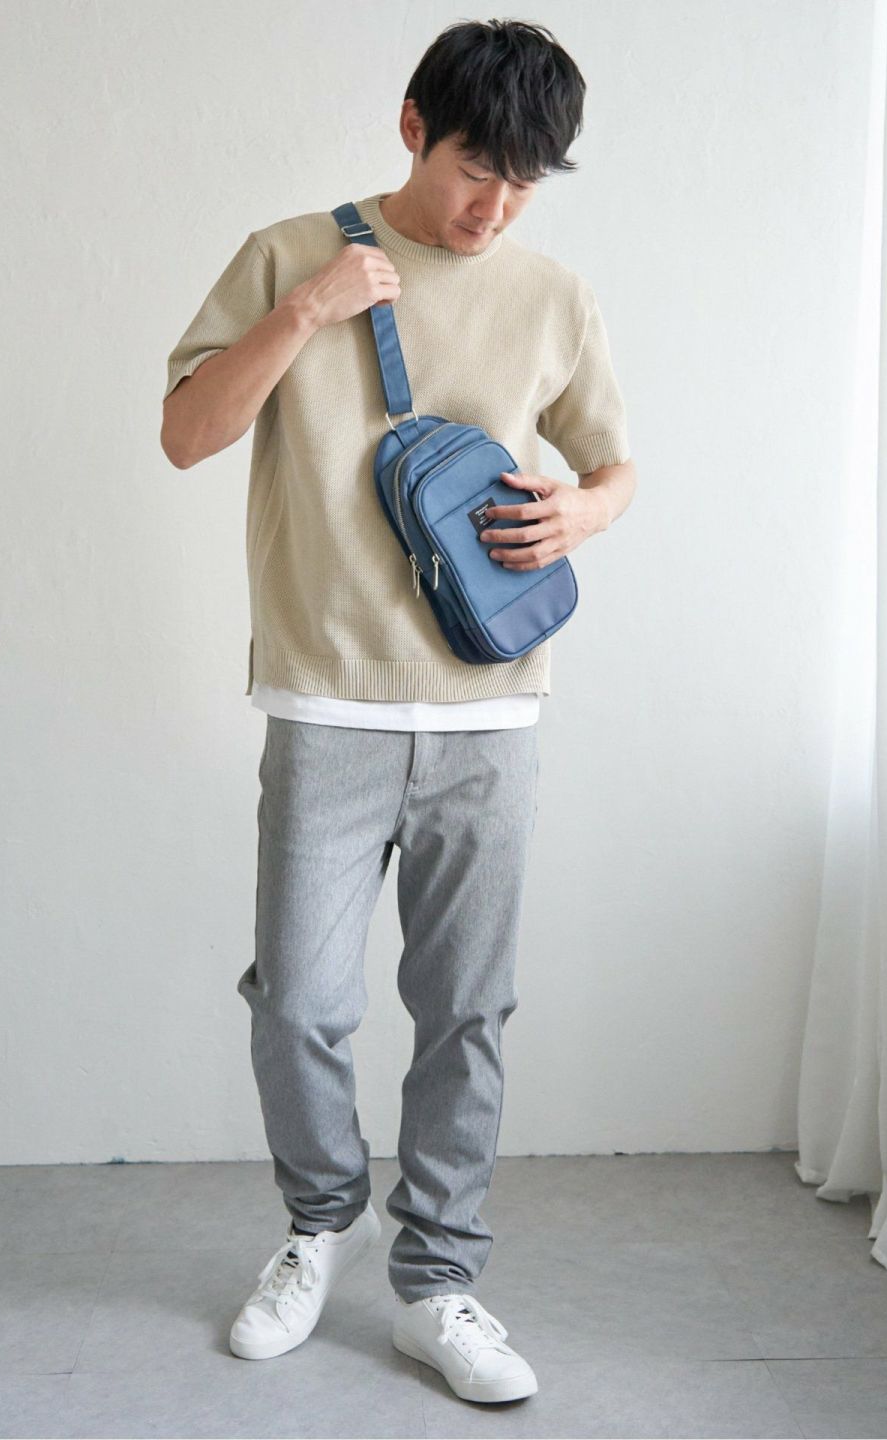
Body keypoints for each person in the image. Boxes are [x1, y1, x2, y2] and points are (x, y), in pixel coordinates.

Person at [160, 17, 635, 1406]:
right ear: (415, 128)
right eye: (478, 167)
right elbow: (187, 433)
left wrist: (583, 514)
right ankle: (322, 1225)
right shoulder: (285, 252)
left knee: (466, 1008)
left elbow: (614, 466)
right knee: (300, 1002)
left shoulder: (553, 295)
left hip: (492, 710)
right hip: (327, 698)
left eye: (526, 181)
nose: (495, 209)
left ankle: (437, 1282)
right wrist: (307, 311)